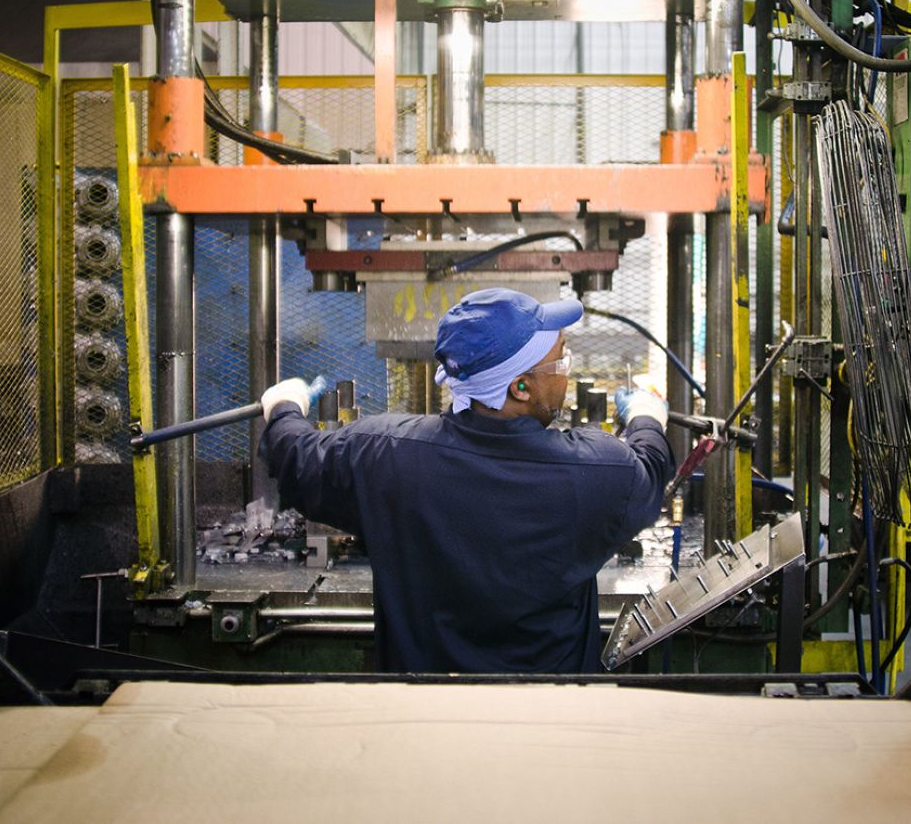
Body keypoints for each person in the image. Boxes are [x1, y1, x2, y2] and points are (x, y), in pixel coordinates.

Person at [258, 287, 674, 673]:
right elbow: (651, 470)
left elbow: (297, 461)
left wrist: (283, 405)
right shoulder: (595, 474)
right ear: (521, 387)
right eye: (561, 359)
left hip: (422, 711)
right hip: (550, 712)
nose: (568, 371)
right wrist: (645, 414)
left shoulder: (384, 454)